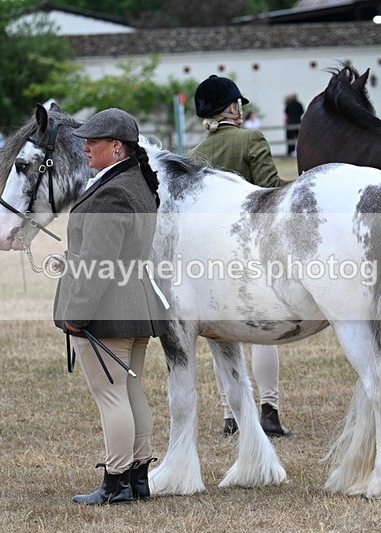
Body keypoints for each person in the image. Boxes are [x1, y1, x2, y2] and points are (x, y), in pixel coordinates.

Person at [53, 108, 167, 505]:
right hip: (135, 302)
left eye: (93, 141)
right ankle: (138, 478)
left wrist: (76, 314)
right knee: (130, 391)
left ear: (116, 147)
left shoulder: (112, 192)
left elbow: (98, 264)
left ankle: (116, 482)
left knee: (112, 396)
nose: (85, 147)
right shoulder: (135, 182)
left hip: (109, 309)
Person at [189, 74, 292, 437]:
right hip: (251, 249)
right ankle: (269, 410)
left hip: (212, 255)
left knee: (222, 337)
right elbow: (271, 191)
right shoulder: (251, 139)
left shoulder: (194, 155)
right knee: (262, 332)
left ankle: (230, 415)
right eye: (238, 104)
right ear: (232, 108)